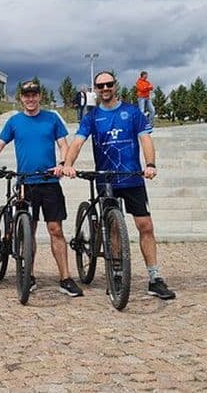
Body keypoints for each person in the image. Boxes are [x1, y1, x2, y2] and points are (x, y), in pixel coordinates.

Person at [62, 71, 175, 300]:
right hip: (106, 179)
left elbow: (145, 139)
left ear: (115, 86)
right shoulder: (92, 117)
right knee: (112, 227)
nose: (105, 89)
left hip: (132, 177)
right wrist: (68, 164)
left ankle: (154, 278)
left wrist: (150, 164)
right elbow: (77, 142)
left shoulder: (132, 112)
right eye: (100, 85)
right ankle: (116, 272)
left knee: (145, 226)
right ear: (96, 88)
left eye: (109, 84)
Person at [0, 80, 83, 297]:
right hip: (26, 183)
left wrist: (63, 165)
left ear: (39, 97)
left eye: (34, 95)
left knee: (56, 230)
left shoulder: (52, 118)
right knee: (30, 230)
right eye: (26, 95)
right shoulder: (14, 121)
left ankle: (65, 278)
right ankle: (30, 274)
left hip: (50, 182)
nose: (30, 99)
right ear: (21, 98)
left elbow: (64, 145)